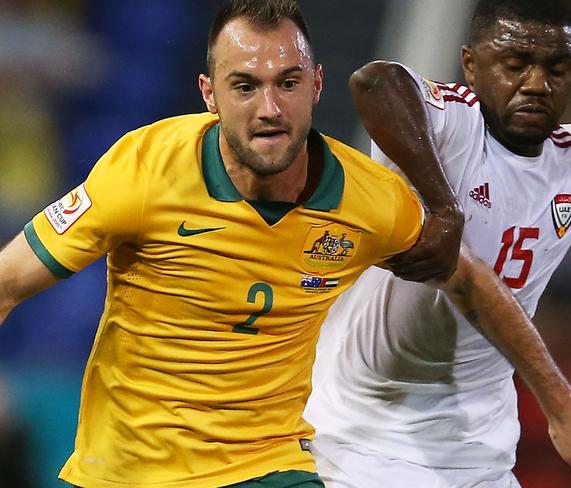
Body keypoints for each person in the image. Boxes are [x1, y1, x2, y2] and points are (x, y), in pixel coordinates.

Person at [0, 1, 468, 487]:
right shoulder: (143, 169)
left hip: (267, 466)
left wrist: (552, 398)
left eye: (288, 82)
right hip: (126, 471)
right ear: (210, 95)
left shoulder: (374, 202)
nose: (270, 109)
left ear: (317, 85)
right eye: (245, 86)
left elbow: (465, 274)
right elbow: (8, 280)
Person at [304, 0, 571, 487]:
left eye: (557, 69)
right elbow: (375, 81)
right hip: (364, 441)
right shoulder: (452, 124)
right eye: (515, 64)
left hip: (479, 455)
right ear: (470, 64)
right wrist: (442, 207)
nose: (536, 84)